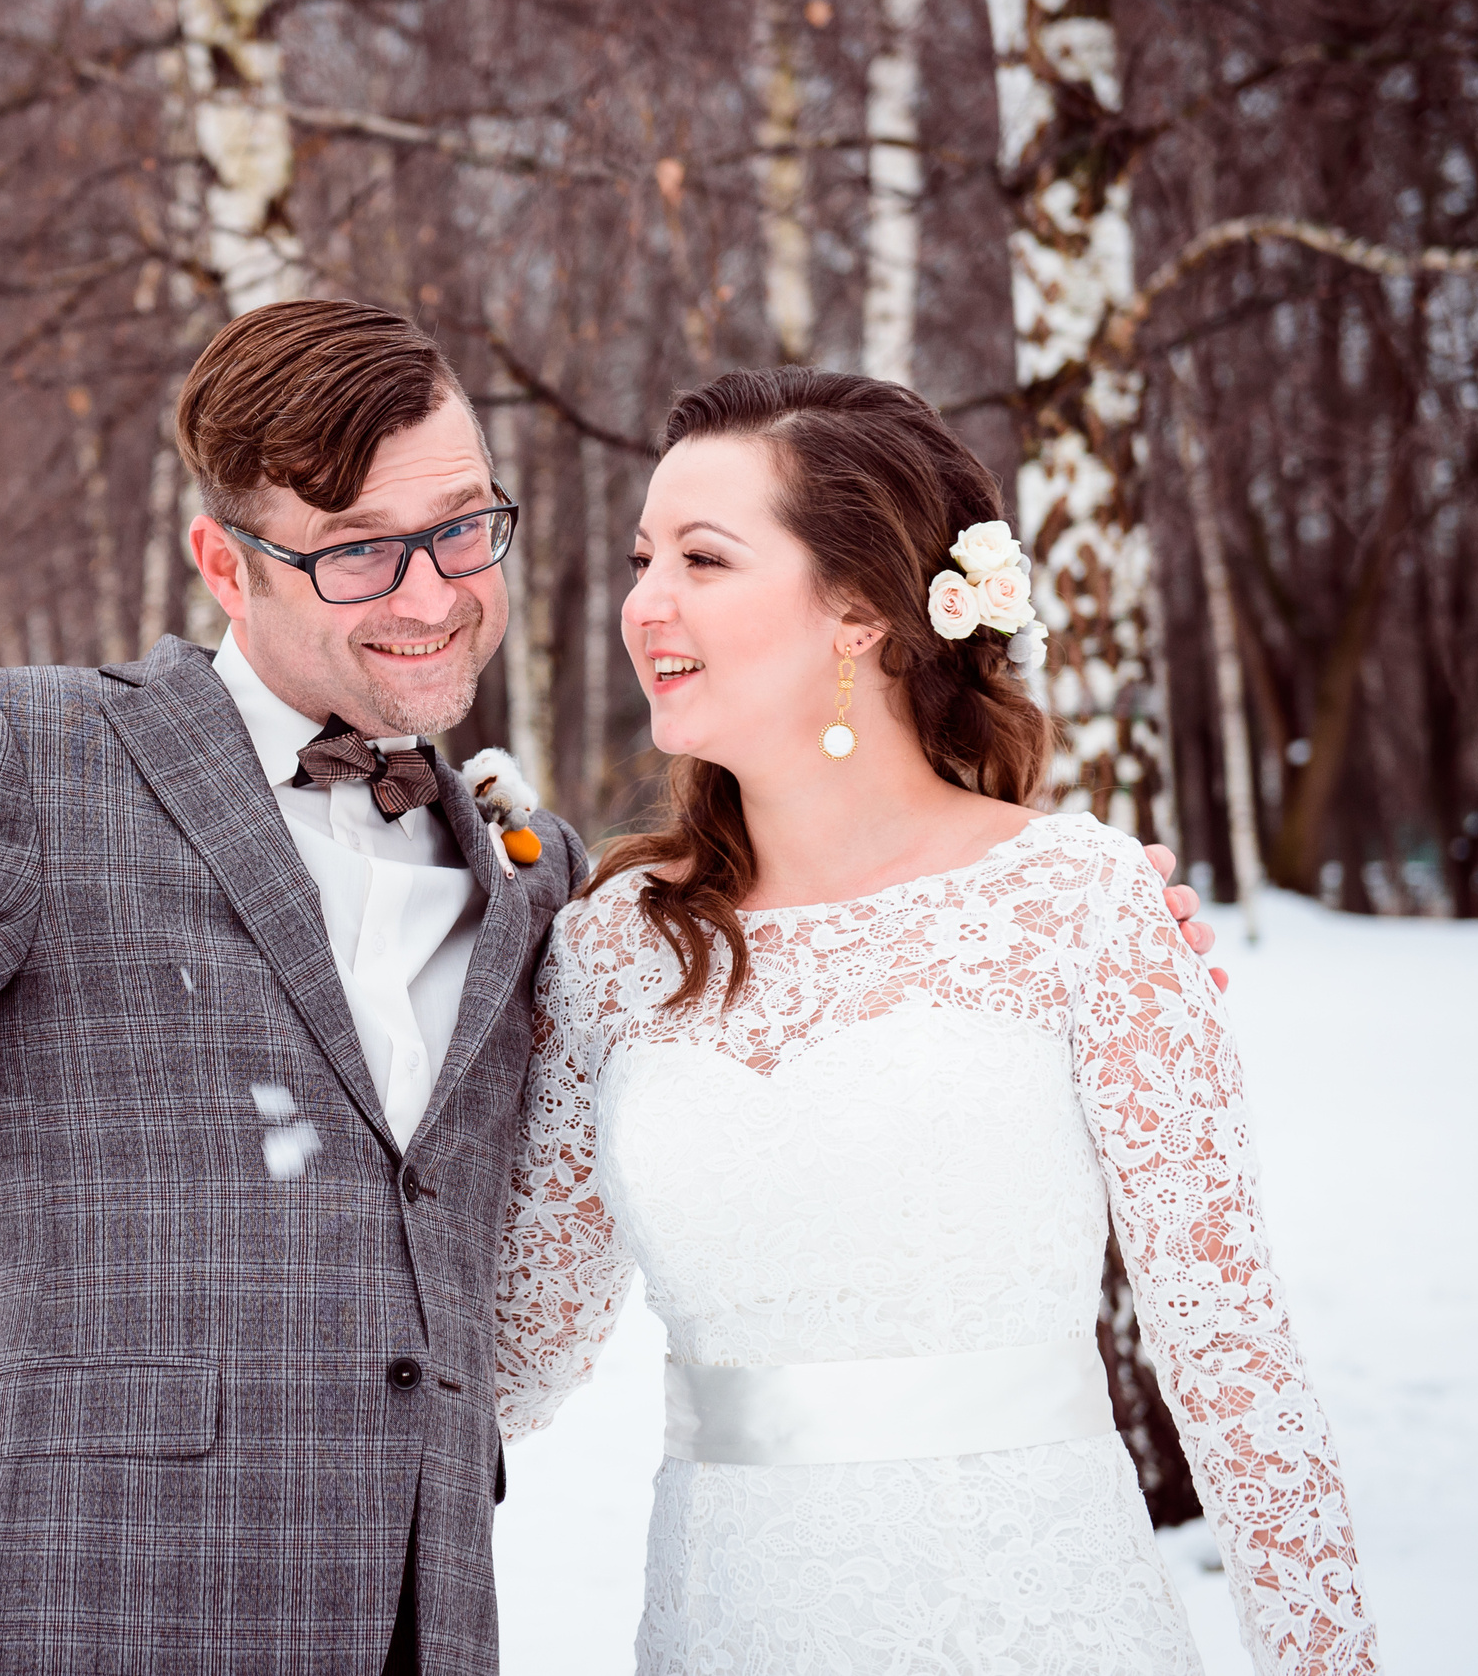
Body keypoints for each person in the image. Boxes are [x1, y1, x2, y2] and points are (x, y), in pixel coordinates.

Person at [0, 301, 1217, 1674]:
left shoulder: (541, 882)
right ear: (226, 564)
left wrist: (1020, 918)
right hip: (110, 1614)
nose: (432, 594)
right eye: (357, 553)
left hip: (427, 1630)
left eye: (459, 527)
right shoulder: (35, 761)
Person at [493, 368, 1376, 1675]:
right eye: (642, 559)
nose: (644, 603)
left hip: (1048, 1624)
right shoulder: (612, 950)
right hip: (729, 1624)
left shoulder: (1077, 903)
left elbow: (1235, 1369)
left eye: (703, 558)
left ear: (859, 610)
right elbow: (510, 1359)